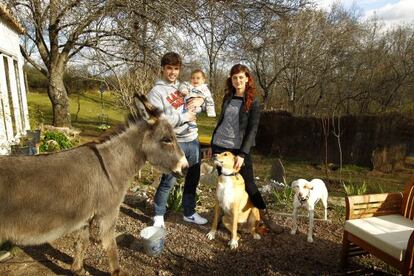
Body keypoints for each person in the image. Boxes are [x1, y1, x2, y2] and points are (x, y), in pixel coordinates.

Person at [210, 63, 283, 233]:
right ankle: (225, 216)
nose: (237, 80)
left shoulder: (254, 102)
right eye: (234, 77)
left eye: (241, 77)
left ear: (247, 79)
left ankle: (265, 219)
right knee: (223, 184)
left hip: (238, 150)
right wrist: (214, 144)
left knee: (249, 184)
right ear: (231, 79)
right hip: (220, 146)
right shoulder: (227, 97)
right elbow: (223, 122)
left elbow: (252, 129)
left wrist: (242, 153)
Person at [147, 52, 208, 228]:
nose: (173, 72)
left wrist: (199, 101)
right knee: (169, 180)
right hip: (175, 143)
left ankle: (189, 213)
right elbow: (158, 121)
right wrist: (184, 118)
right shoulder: (156, 92)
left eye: (176, 68)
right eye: (169, 68)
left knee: (193, 178)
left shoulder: (184, 87)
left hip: (193, 140)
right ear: (162, 69)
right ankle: (158, 216)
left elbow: (199, 105)